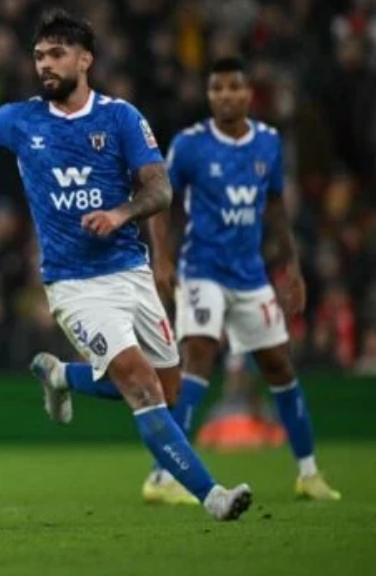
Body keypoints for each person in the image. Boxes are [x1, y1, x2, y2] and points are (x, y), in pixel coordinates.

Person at [0, 10, 253, 521]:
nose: (45, 65)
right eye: (39, 56)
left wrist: (122, 212)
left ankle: (64, 376)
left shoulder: (120, 118)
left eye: (56, 55)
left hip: (130, 273)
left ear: (85, 59)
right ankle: (214, 497)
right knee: (140, 385)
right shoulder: (18, 119)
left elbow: (159, 189)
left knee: (169, 388)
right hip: (74, 284)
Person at [140, 57, 340, 505]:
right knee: (198, 359)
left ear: (249, 93)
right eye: (216, 88)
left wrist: (293, 268)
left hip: (250, 275)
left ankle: (308, 474)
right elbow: (159, 200)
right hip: (202, 269)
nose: (225, 95)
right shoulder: (190, 145)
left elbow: (276, 207)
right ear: (208, 95)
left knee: (279, 367)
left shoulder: (268, 143)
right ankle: (161, 476)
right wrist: (163, 258)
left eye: (233, 87)